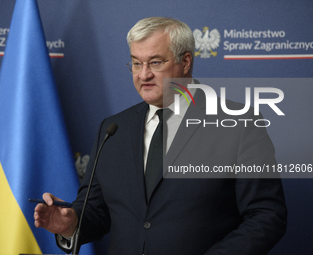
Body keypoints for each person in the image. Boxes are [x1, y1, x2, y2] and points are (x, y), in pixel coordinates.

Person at [34, 17, 287, 255]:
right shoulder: (113, 128)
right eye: (136, 62)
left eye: (155, 62)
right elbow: (97, 212)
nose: (143, 75)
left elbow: (266, 216)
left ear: (186, 61)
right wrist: (70, 224)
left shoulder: (239, 123)